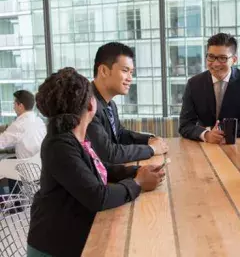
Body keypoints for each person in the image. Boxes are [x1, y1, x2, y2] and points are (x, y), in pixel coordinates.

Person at [27, 68, 166, 256]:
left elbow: (99, 168)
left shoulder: (74, 137)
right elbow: (98, 197)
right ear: (91, 106)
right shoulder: (59, 145)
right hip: (55, 246)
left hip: (71, 236)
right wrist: (138, 183)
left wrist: (136, 171)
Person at [87, 42, 168, 164]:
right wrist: (151, 149)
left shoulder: (110, 105)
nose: (130, 78)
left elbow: (119, 135)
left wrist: (149, 140)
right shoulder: (87, 104)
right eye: (125, 71)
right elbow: (108, 154)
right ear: (103, 70)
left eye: (131, 72)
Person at [179, 33, 240, 143]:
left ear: (234, 59)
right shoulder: (194, 84)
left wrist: (217, 132)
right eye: (211, 57)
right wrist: (206, 134)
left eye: (223, 58)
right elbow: (185, 125)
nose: (216, 64)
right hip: (203, 147)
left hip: (236, 146)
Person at [0, 90, 46, 159]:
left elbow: (1, 142)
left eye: (14, 104)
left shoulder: (19, 125)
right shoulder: (39, 121)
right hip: (40, 163)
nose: (13, 107)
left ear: (20, 106)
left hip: (25, 166)